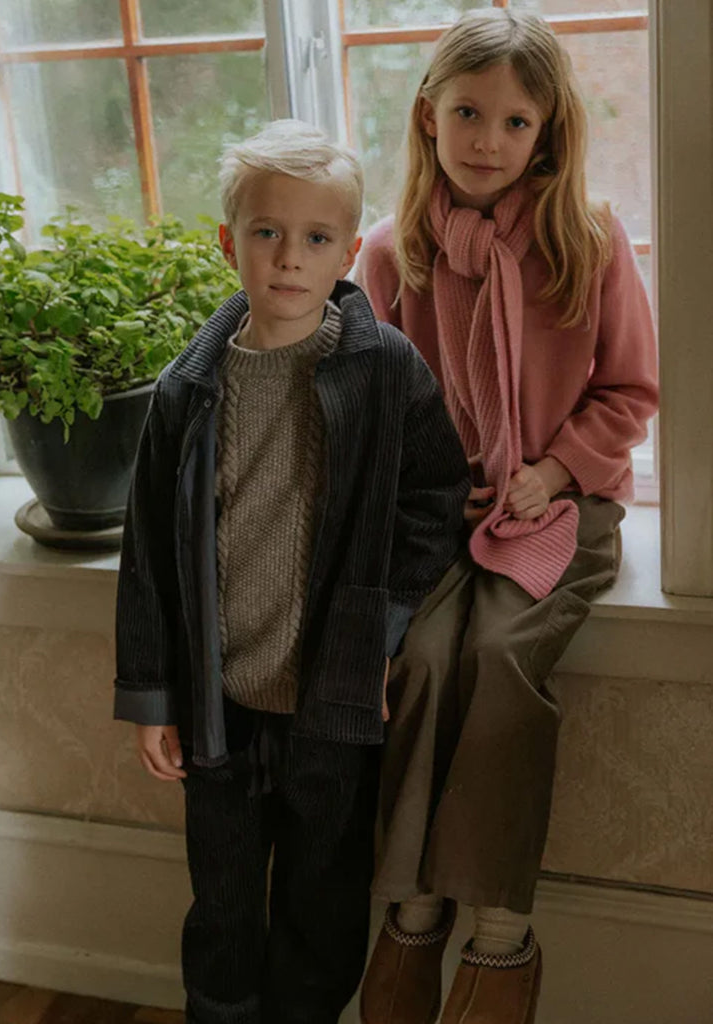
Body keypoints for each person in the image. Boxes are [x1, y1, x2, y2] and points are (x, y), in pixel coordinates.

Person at [113, 119, 470, 1024]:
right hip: (217, 705)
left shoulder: (383, 368)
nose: (288, 259)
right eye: (266, 233)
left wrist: (381, 622)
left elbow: (435, 497)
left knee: (321, 898)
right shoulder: (185, 391)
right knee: (224, 902)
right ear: (228, 243)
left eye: (316, 239)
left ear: (349, 251)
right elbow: (149, 552)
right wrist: (151, 694)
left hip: (332, 697)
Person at [355, 10, 659, 1024]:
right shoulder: (390, 256)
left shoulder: (586, 236)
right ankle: (410, 914)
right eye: (467, 112)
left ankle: (498, 938)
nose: (487, 140)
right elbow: (371, 410)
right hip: (440, 516)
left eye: (514, 121)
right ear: (427, 116)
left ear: (547, 135)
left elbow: (630, 391)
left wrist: (558, 468)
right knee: (428, 654)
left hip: (561, 506)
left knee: (503, 653)